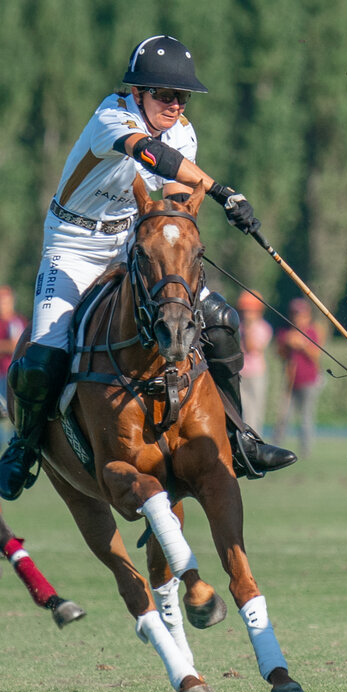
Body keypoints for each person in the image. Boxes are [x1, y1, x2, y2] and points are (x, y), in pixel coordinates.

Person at [0, 35, 295, 501]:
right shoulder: (111, 117)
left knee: (218, 321)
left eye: (182, 96)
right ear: (137, 93)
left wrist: (203, 215)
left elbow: (175, 205)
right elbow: (151, 156)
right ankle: (23, 447)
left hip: (131, 242)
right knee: (42, 357)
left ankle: (239, 439)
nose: (175, 105)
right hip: (73, 245)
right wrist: (222, 190)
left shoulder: (184, 132)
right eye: (163, 94)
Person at [274, 299, 324, 459]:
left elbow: (316, 355)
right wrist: (288, 344)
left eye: (301, 314)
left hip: (308, 381)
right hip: (290, 380)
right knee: (284, 416)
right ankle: (276, 448)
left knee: (306, 417)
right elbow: (279, 354)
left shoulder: (312, 332)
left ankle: (305, 451)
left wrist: (303, 345)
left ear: (307, 316)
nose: (298, 318)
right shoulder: (285, 333)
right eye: (295, 314)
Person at [237, 291, 273, 430]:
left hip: (256, 374)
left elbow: (252, 347)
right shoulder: (237, 327)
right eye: (244, 311)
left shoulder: (263, 328)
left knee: (256, 411)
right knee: (242, 411)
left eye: (250, 311)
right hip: (240, 373)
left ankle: (255, 441)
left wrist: (248, 329)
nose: (247, 314)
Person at [0, 286, 28, 447]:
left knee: (13, 412)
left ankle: (13, 444)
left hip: (14, 373)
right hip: (2, 373)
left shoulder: (16, 321)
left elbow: (18, 345)